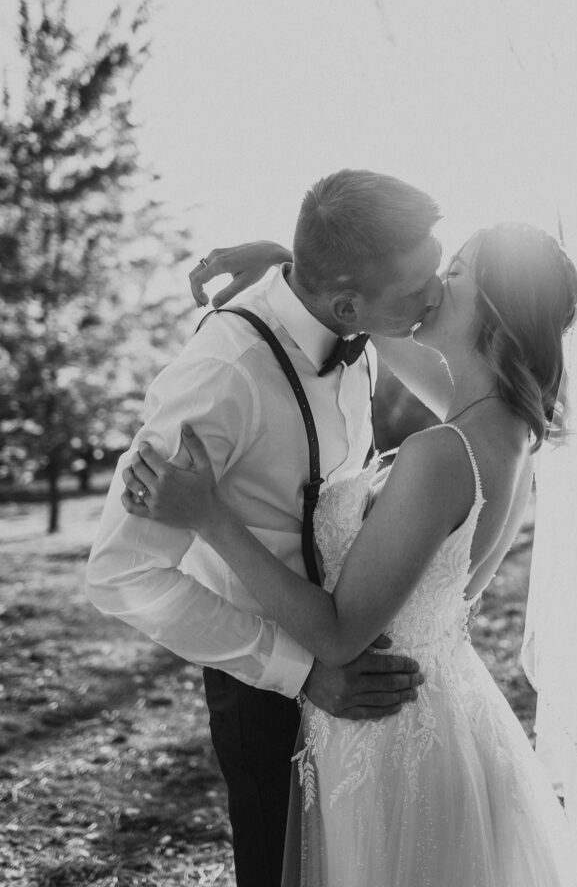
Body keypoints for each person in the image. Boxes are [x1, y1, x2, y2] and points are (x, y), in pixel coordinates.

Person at [122, 223, 577, 886]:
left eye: (454, 273)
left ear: (495, 317)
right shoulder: (508, 425)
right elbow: (376, 318)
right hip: (445, 714)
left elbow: (339, 635)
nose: (431, 286)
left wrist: (209, 517)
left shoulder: (441, 454)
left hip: (389, 736)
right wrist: (297, 267)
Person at [85, 169, 445, 887]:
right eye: (417, 288)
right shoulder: (222, 376)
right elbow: (120, 573)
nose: (435, 297)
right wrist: (303, 674)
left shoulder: (355, 322)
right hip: (267, 691)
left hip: (366, 661)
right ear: (346, 302)